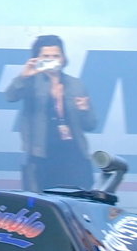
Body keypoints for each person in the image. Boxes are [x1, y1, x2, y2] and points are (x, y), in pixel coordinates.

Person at [5, 34, 97, 190]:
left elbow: (91, 124)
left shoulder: (76, 84)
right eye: (46, 56)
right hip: (42, 158)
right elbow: (10, 96)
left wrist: (84, 111)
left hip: (74, 157)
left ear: (63, 58)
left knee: (78, 199)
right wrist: (23, 76)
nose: (52, 60)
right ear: (37, 59)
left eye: (56, 56)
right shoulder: (30, 82)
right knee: (42, 200)